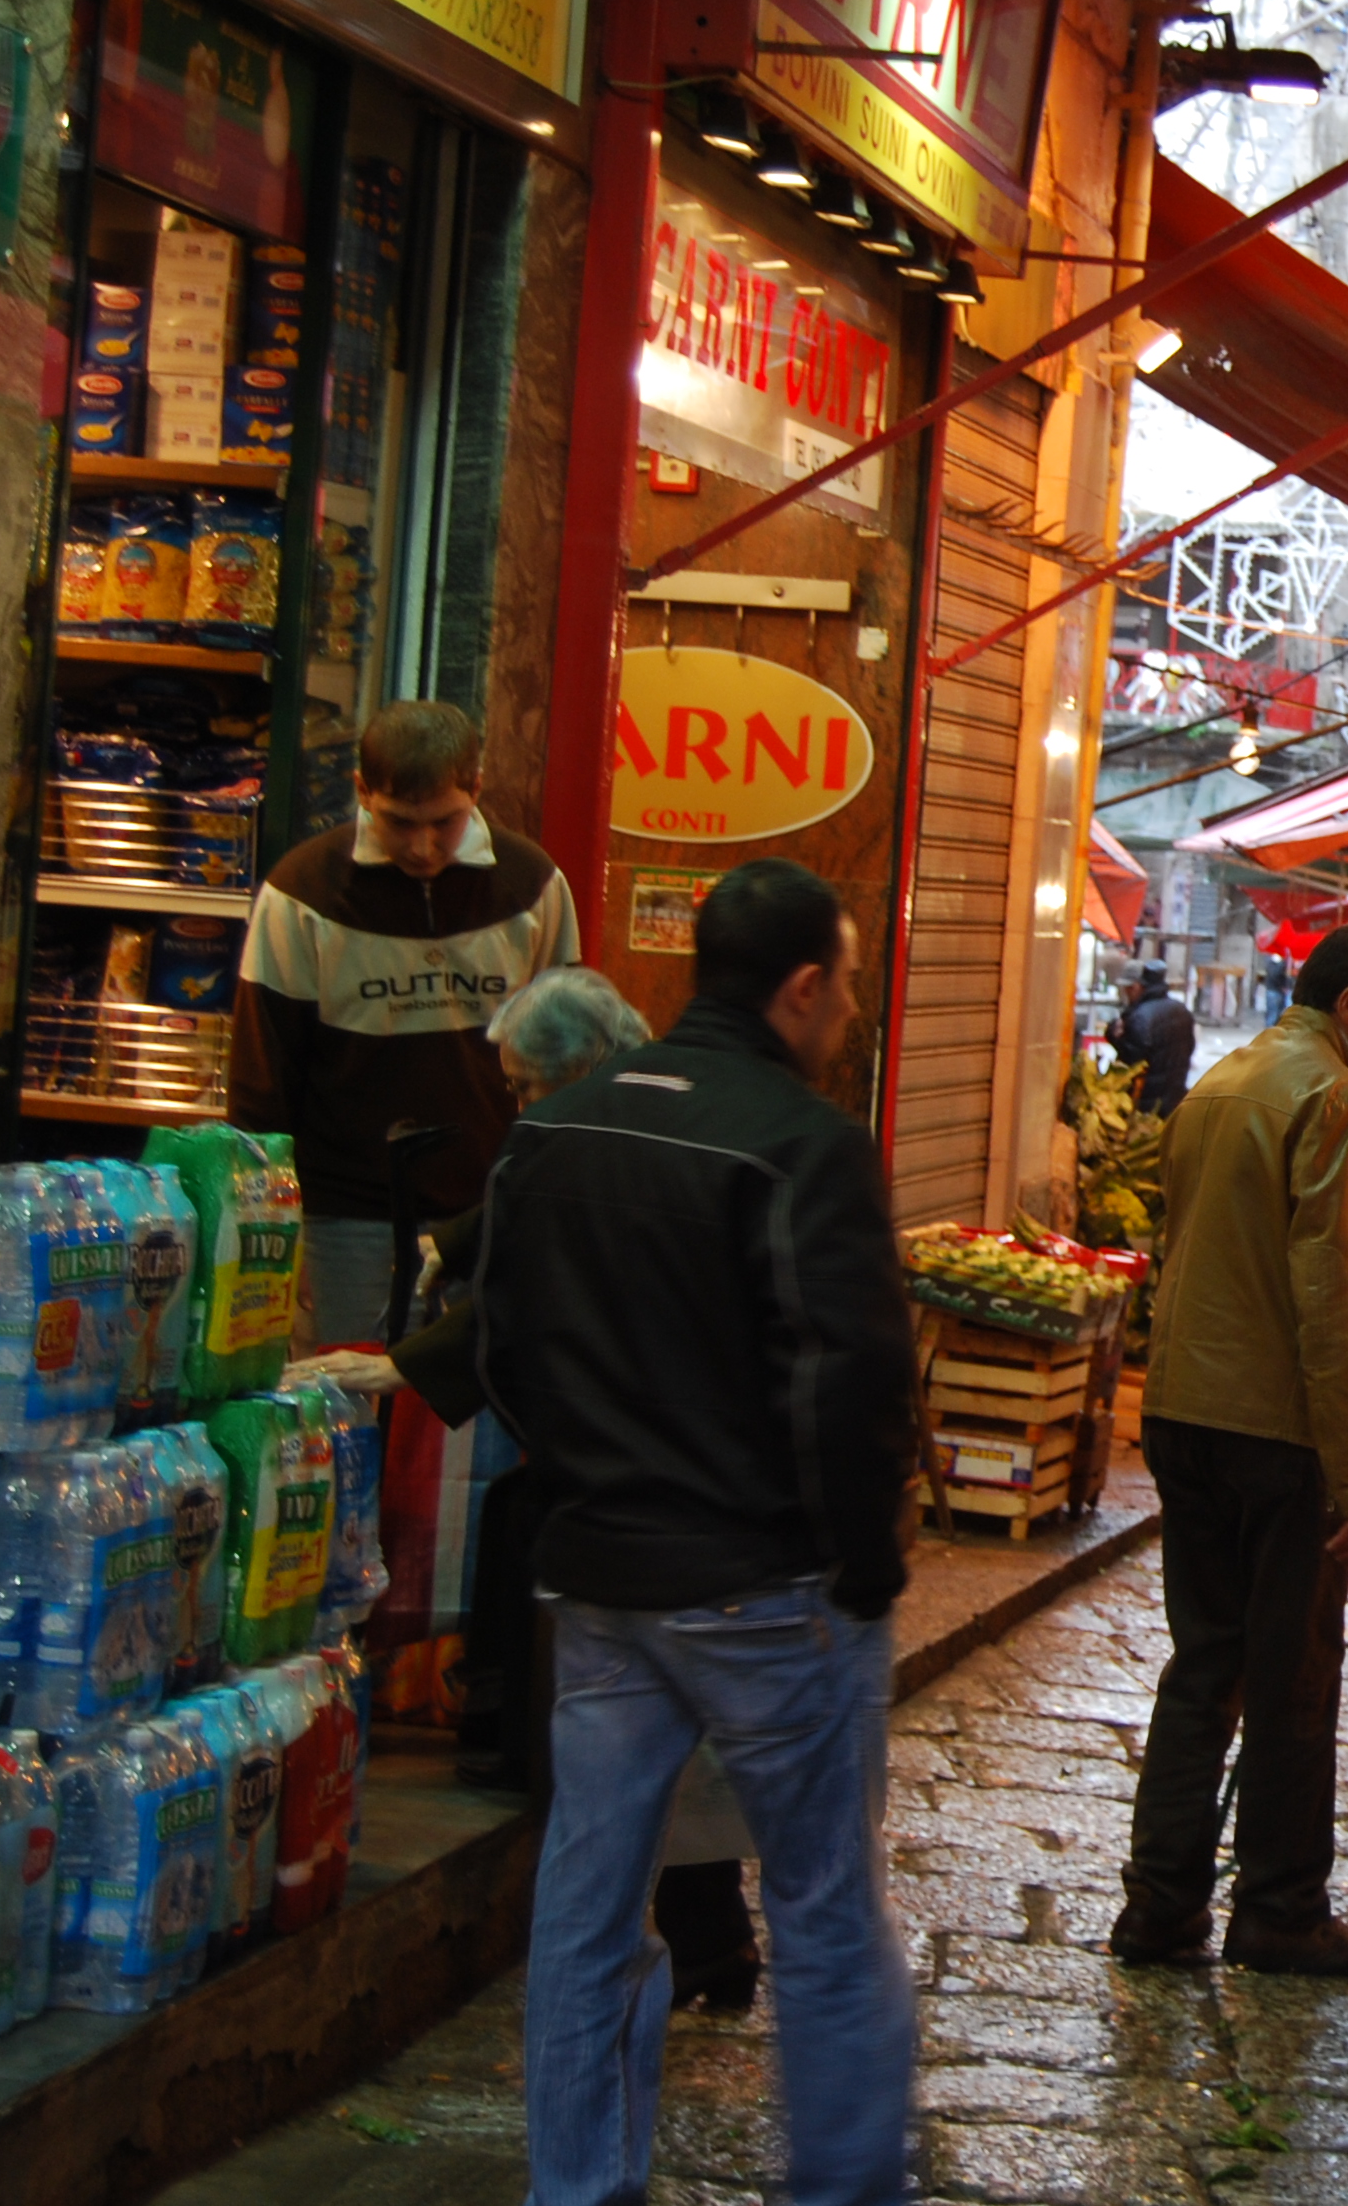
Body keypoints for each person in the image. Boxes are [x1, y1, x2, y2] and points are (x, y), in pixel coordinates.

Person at [479, 859, 921, 2206]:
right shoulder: (803, 1143)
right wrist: (864, 1560)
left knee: (585, 1912)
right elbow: (849, 1380)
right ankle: (844, 2188)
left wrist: (589, 1482)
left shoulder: (556, 1130)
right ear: (799, 988)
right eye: (843, 988)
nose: (846, 1014)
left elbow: (505, 1356)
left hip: (604, 1585)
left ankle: (580, 2185)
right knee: (826, 1914)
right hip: (767, 1591)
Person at [305, 967, 765, 2013]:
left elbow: (534, 1286)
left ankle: (627, 1958)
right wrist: (449, 1243)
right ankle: (702, 1944)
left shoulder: (603, 1142)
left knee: (629, 1722)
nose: (515, 1106)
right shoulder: (627, 1113)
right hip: (671, 1478)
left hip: (644, 1480)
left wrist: (406, 1365)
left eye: (522, 1087)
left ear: (580, 1068)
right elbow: (512, 1218)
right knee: (658, 1717)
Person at [1115, 920, 1348, 1975]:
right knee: (1291, 1674)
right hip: (1272, 1428)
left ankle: (1158, 1902)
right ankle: (1280, 1907)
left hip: (1182, 1409)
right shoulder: (1330, 1098)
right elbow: (1332, 1301)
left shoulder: (1225, 1077)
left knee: (1203, 1659)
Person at [233, 698, 581, 1348]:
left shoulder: (533, 886)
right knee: (348, 1415)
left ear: (476, 789)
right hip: (342, 1219)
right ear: (361, 792)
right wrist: (275, 1231)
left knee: (470, 1428)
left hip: (489, 1209)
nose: (422, 848)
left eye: (444, 823)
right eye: (397, 823)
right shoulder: (300, 893)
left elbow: (570, 1069)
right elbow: (261, 1082)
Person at [1111, 961, 1196, 1117]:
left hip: (1145, 1103)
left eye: (1127, 990)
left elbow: (1131, 1059)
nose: (1126, 995)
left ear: (1136, 987)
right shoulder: (1182, 1010)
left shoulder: (1139, 1017)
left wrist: (1113, 1036)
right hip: (1175, 1098)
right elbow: (1190, 1048)